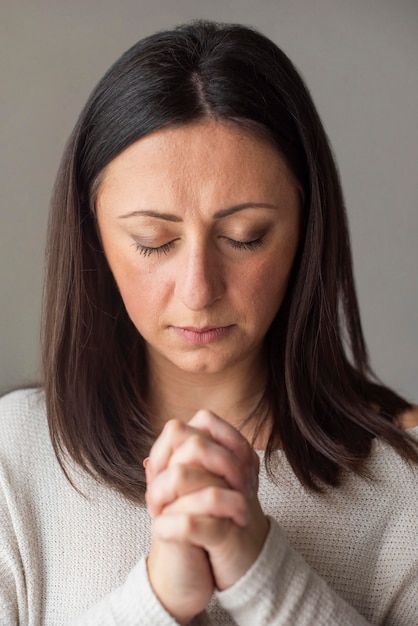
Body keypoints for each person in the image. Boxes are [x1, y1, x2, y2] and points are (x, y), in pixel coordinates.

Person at [0, 19, 417, 626]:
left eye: (245, 238)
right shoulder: (14, 460)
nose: (199, 291)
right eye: (152, 241)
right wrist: (157, 599)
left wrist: (259, 570)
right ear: (94, 239)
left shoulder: (403, 484)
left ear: (307, 230)